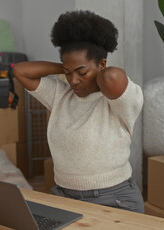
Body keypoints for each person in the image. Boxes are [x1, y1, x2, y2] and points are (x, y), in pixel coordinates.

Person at [13, 10, 144, 213]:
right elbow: (20, 70)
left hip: (115, 199)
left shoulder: (120, 102)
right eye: (68, 73)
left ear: (102, 64)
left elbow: (111, 77)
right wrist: (70, 66)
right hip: (65, 196)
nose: (73, 81)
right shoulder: (60, 96)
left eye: (82, 73)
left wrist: (89, 70)